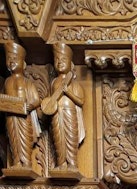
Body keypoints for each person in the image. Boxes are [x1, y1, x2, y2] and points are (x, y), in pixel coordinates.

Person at [41, 42, 84, 174]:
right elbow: (50, 100)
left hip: (69, 113)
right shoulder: (54, 82)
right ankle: (61, 163)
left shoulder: (73, 83)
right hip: (56, 113)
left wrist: (68, 93)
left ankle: (72, 163)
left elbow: (81, 101)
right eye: (57, 59)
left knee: (70, 137)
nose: (60, 62)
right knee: (58, 138)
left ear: (71, 64)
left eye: (63, 59)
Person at [0, 41, 41, 173]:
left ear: (23, 64)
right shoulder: (7, 81)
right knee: (13, 138)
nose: (11, 61)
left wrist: (30, 106)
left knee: (24, 138)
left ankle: (26, 162)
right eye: (9, 58)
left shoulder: (26, 82)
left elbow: (36, 99)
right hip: (11, 117)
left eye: (15, 58)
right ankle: (17, 161)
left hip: (23, 117)